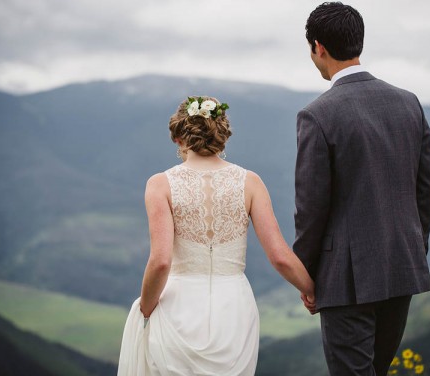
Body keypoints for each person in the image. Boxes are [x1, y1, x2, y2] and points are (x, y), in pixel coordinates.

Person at [117, 96, 315, 375]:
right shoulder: (250, 182)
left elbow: (161, 262)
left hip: (178, 308)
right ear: (222, 136)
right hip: (233, 309)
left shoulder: (160, 184)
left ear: (178, 138)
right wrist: (310, 289)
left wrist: (145, 311)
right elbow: (280, 257)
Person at [293, 2, 430, 376]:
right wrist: (413, 249)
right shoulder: (410, 104)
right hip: (401, 267)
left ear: (318, 47)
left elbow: (311, 208)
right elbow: (426, 191)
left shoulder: (317, 115)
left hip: (345, 278)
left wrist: (306, 275)